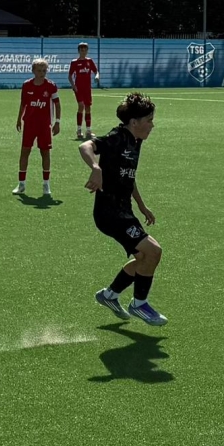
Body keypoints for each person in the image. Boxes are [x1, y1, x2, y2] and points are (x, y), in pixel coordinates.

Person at [78, 92, 167, 326]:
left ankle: (109, 295)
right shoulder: (117, 137)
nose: (152, 125)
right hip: (110, 214)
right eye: (149, 120)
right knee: (154, 251)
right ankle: (139, 304)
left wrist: (142, 206)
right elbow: (85, 145)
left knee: (143, 259)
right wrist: (95, 168)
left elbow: (128, 176)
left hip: (124, 211)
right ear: (134, 122)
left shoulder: (135, 141)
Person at [13, 58, 60, 198]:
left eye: (44, 71)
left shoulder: (51, 86)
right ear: (33, 71)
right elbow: (23, 104)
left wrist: (57, 122)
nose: (42, 73)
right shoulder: (26, 85)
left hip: (44, 125)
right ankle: (21, 184)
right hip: (29, 124)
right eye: (39, 71)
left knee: (45, 153)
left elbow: (57, 104)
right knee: (25, 151)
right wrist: (19, 119)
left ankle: (46, 184)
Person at [68, 42, 99, 141]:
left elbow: (96, 71)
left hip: (87, 89)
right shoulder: (74, 62)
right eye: (82, 50)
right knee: (81, 106)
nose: (83, 51)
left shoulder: (89, 61)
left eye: (85, 50)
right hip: (79, 89)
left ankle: (88, 130)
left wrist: (97, 76)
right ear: (79, 51)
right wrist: (73, 86)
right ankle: (79, 130)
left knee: (88, 108)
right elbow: (70, 76)